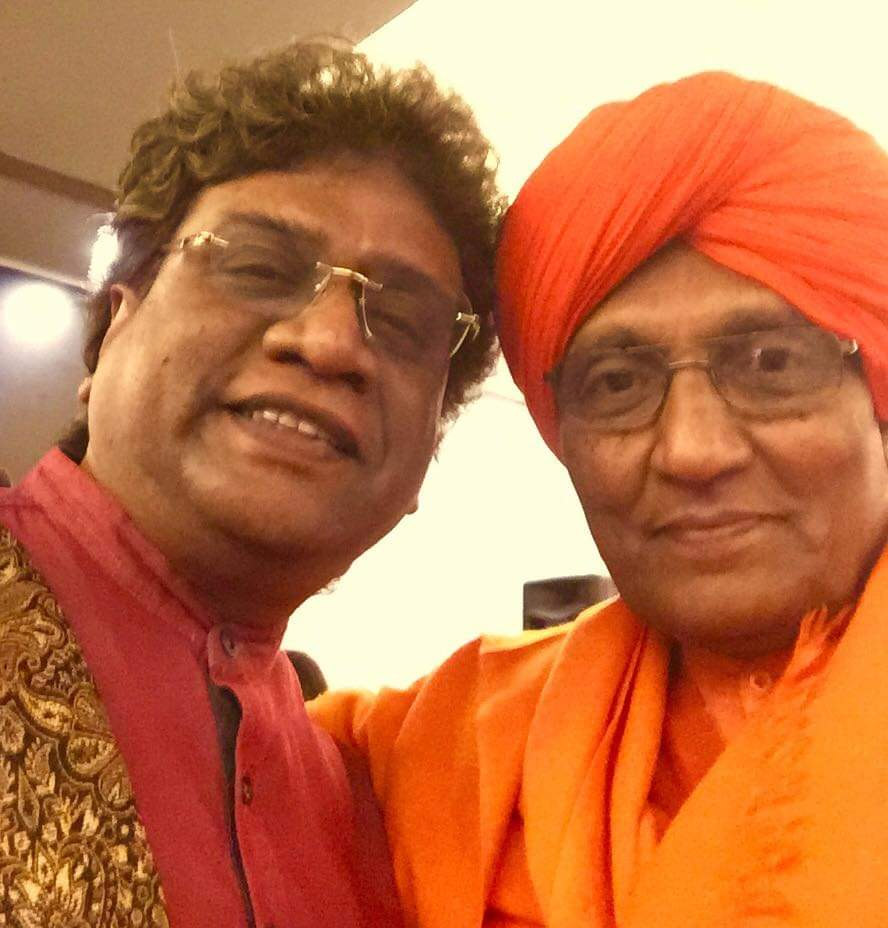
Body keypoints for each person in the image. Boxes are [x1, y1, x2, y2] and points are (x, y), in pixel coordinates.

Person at [310, 71, 888, 927]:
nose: (692, 449)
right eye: (617, 383)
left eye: (770, 364)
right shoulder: (443, 750)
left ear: (876, 400)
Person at [0, 41, 502, 927]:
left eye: (402, 319)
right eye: (259, 268)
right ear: (112, 330)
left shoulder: (376, 809)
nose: (331, 344)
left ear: (426, 455)